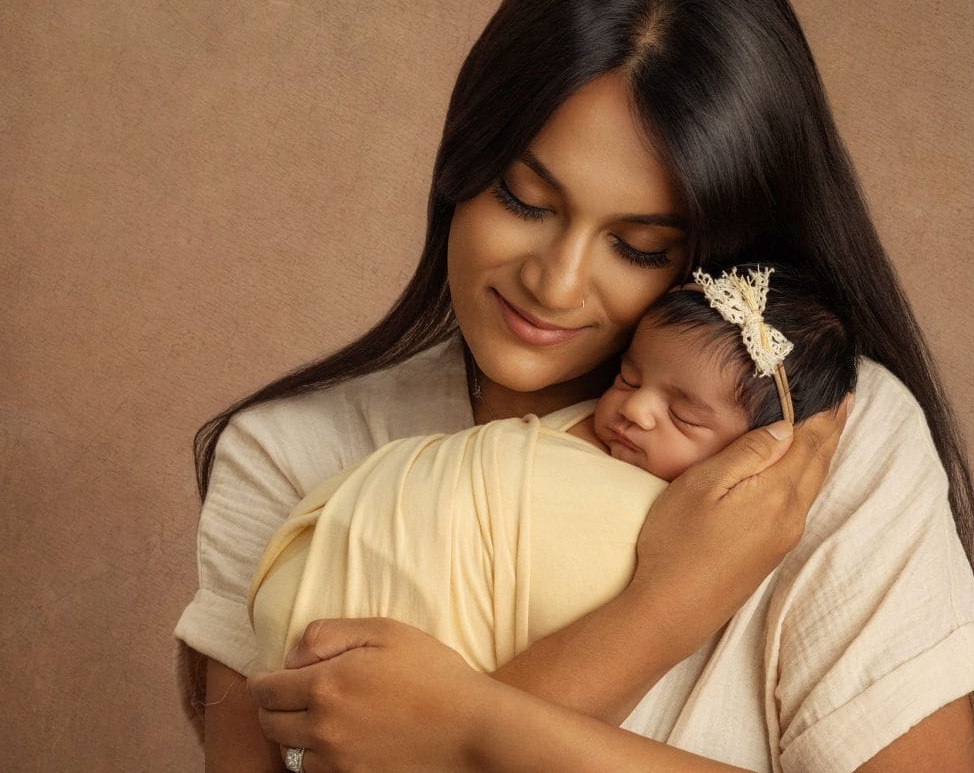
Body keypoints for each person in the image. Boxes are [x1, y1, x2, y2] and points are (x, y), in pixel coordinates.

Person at [178, 0, 974, 773]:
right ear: (462, 165)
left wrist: (477, 727)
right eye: (527, 200)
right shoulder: (295, 454)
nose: (555, 279)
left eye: (638, 246)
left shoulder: (810, 440)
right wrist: (659, 613)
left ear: (714, 249)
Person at [250, 265, 857, 686]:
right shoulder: (575, 433)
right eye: (627, 377)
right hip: (332, 569)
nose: (636, 410)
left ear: (760, 453)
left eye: (684, 416)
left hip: (354, 649)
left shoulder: (688, 535)